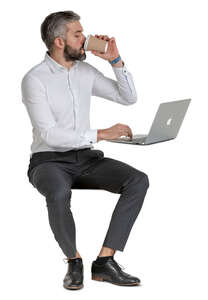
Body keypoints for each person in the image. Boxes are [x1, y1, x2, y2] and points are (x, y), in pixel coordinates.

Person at [21, 10, 150, 290]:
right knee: (57, 192)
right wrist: (101, 134)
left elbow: (128, 97)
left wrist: (115, 60)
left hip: (86, 158)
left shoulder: (85, 72)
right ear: (59, 41)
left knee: (137, 180)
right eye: (78, 34)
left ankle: (105, 262)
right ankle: (73, 261)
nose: (86, 39)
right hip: (48, 161)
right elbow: (50, 135)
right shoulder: (35, 79)